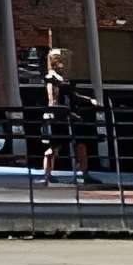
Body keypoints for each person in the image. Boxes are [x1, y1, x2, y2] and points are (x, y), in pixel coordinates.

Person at [40, 45, 87, 183]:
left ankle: (83, 173)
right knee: (52, 147)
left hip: (64, 117)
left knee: (78, 144)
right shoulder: (52, 78)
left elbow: (73, 95)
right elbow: (52, 100)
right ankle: (47, 175)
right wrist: (62, 113)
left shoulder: (62, 79)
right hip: (56, 117)